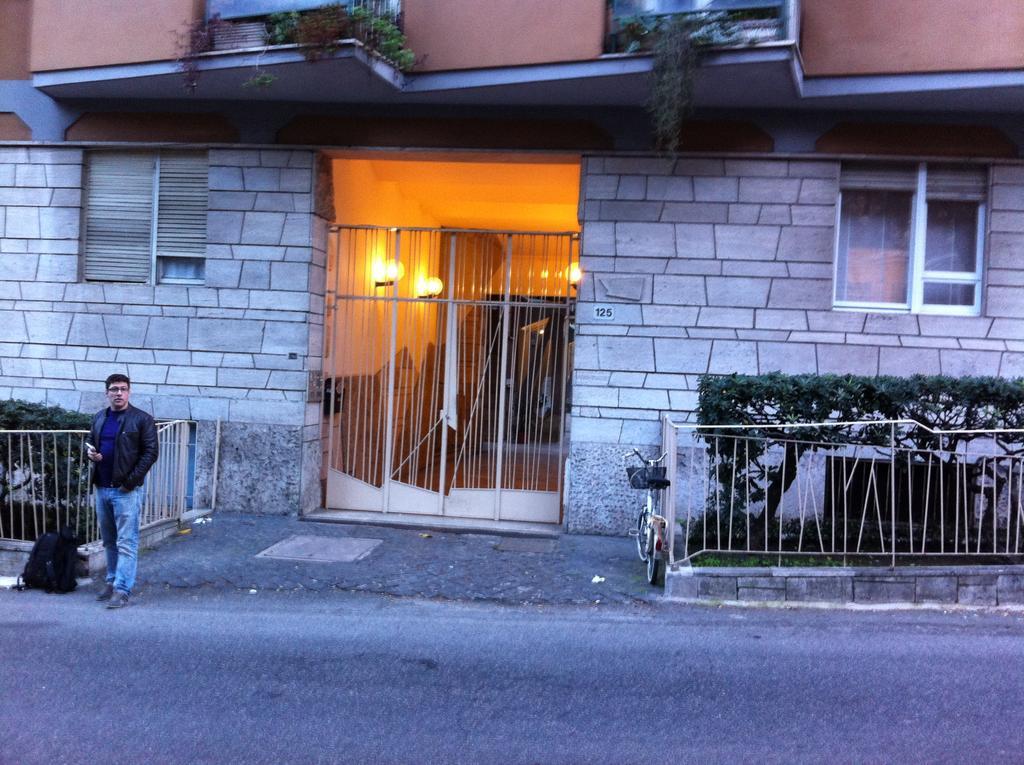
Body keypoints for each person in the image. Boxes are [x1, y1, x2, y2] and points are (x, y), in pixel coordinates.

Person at [86, 374, 159, 609]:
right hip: (102, 487)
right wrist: (92, 454)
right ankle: (112, 581)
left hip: (125, 490)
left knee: (126, 542)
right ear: (107, 392)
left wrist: (130, 483)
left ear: (129, 392)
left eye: (123, 389)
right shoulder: (99, 418)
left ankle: (122, 589)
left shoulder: (142, 419)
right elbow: (90, 442)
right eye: (114, 389)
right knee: (109, 541)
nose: (119, 393)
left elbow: (150, 453)